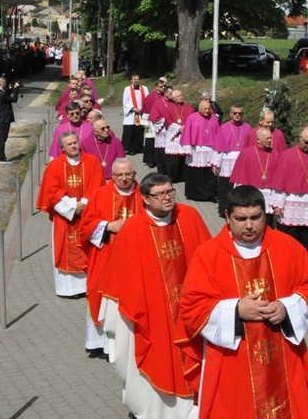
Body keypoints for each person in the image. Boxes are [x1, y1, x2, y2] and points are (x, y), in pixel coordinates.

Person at [175, 185, 308, 419]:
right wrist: (235, 310)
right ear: (227, 217)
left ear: (266, 214)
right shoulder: (208, 254)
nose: (249, 225)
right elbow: (192, 307)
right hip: (233, 360)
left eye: (256, 217)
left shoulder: (288, 247)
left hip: (282, 355)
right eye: (241, 219)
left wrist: (286, 307)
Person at [100, 173, 211, 419]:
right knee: (157, 360)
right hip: (153, 314)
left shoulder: (189, 217)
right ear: (146, 199)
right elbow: (122, 279)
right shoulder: (133, 229)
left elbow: (209, 258)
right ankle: (152, 411)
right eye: (159, 194)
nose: (167, 198)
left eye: (170, 192)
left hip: (189, 312)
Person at [79, 158, 141, 359]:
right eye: (119, 175)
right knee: (101, 295)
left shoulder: (144, 195)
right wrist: (108, 226)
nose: (124, 179)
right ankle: (98, 343)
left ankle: (125, 344)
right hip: (105, 256)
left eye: (128, 174)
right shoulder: (100, 194)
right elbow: (85, 227)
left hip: (134, 259)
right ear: (112, 176)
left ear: (134, 174)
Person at [37, 132, 105, 297]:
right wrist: (74, 206)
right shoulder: (55, 166)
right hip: (65, 218)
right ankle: (68, 289)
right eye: (69, 144)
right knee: (65, 248)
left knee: (88, 248)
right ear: (62, 147)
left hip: (88, 215)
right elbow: (51, 191)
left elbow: (97, 185)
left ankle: (89, 286)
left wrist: (86, 204)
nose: (74, 146)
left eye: (75, 142)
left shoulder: (92, 161)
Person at [269, 126, 308, 264]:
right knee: (287, 239)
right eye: (306, 142)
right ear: (300, 139)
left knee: (307, 242)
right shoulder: (287, 155)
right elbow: (280, 182)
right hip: (289, 208)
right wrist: (278, 204)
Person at [229, 127, 281, 225]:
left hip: (268, 195)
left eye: (271, 138)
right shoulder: (246, 153)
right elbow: (240, 178)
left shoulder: (275, 154)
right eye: (267, 138)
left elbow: (279, 181)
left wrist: (277, 203)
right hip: (251, 195)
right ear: (258, 140)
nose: (270, 140)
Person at [211, 102, 251, 214]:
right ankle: (225, 209)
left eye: (239, 113)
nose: (237, 115)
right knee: (226, 187)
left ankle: (239, 209)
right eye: (235, 113)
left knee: (240, 187)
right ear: (230, 114)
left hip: (242, 161)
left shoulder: (247, 127)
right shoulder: (224, 128)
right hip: (227, 161)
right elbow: (219, 147)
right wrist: (215, 164)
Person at [179, 100, 219, 202]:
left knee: (209, 173)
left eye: (208, 108)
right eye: (204, 109)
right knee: (196, 173)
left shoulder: (214, 118)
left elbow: (218, 133)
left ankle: (210, 194)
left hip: (210, 149)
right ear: (199, 109)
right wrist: (187, 148)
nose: (207, 111)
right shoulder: (192, 118)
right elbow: (187, 132)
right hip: (196, 149)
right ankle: (195, 194)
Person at [163, 89, 194, 183]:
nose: (180, 97)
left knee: (183, 157)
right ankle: (173, 177)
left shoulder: (187, 107)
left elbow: (192, 118)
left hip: (185, 134)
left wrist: (185, 127)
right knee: (174, 159)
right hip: (174, 136)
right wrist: (178, 128)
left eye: (181, 95)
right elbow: (167, 120)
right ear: (173, 98)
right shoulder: (169, 107)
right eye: (178, 96)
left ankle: (183, 176)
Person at [149, 84, 175, 175]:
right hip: (163, 131)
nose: (173, 95)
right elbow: (153, 118)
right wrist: (165, 120)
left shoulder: (174, 102)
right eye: (171, 93)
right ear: (166, 93)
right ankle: (162, 172)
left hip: (173, 132)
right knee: (162, 154)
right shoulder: (159, 103)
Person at [141, 78, 167, 169]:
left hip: (162, 122)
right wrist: (144, 122)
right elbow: (145, 109)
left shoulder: (166, 96)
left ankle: (159, 159)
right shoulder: (150, 97)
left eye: (164, 86)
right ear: (156, 87)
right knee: (150, 140)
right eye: (161, 86)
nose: (163, 88)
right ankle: (150, 160)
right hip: (151, 121)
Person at [121, 73, 149, 155]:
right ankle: (127, 148)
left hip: (141, 113)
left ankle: (138, 148)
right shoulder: (127, 89)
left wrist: (143, 109)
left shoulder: (144, 88)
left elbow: (147, 99)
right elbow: (126, 101)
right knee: (130, 131)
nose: (136, 80)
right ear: (131, 80)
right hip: (132, 113)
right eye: (134, 79)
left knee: (139, 131)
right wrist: (133, 108)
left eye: (137, 79)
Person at [0, 76, 19, 162]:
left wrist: (10, 89)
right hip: (5, 118)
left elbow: (5, 96)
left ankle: (1, 155)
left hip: (1, 117)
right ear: (3, 83)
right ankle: (2, 156)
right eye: (5, 83)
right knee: (3, 138)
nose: (6, 84)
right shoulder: (2, 94)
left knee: (2, 138)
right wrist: (16, 90)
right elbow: (14, 99)